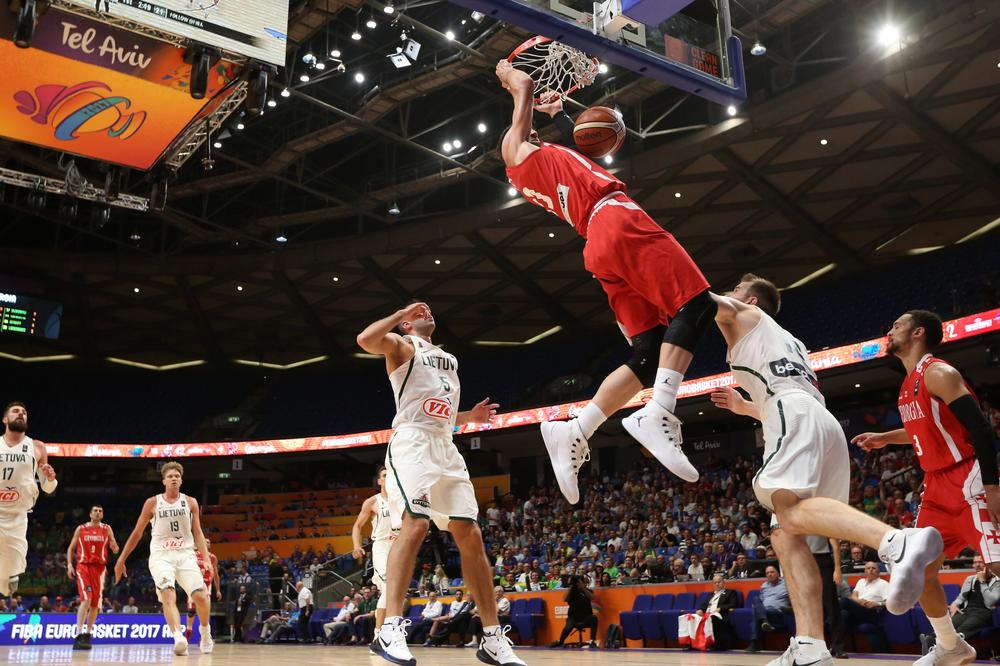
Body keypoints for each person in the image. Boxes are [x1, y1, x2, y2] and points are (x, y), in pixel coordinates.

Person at [495, 61, 717, 504]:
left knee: (648, 351)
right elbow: (522, 87)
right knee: (697, 305)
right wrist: (510, 74)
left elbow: (575, 147)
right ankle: (659, 412)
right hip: (616, 219)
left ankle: (575, 432)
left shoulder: (547, 169)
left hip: (596, 242)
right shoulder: (518, 155)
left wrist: (556, 115)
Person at [709, 278, 945, 666]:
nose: (730, 292)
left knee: (783, 508)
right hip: (817, 418)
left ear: (752, 300)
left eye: (737, 287)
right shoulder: (788, 340)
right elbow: (782, 391)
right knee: (785, 534)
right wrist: (745, 407)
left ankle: (896, 543)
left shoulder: (745, 313)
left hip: (793, 412)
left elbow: (697, 299)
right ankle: (809, 645)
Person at [357, 302, 525, 666]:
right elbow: (365, 338)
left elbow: (441, 414)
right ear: (405, 324)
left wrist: (470, 417)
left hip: (444, 444)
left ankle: (493, 639)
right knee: (415, 524)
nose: (425, 312)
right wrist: (402, 311)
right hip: (412, 443)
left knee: (470, 533)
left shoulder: (448, 358)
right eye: (417, 313)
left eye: (428, 310)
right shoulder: (403, 347)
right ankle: (389, 629)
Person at [852, 309, 1000, 665]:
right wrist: (885, 438)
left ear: (918, 333)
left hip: (968, 479)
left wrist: (993, 486)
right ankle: (951, 646)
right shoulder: (907, 386)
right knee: (920, 571)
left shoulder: (939, 373)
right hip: (935, 487)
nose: (890, 330)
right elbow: (923, 430)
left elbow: (980, 428)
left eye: (896, 325)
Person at [113, 461, 213, 656]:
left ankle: (205, 632)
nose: (174, 478)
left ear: (181, 480)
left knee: (200, 596)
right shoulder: (152, 503)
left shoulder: (191, 502)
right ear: (164, 481)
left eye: (177, 476)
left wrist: (206, 557)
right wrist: (121, 559)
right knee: (168, 595)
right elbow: (137, 533)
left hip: (185, 554)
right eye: (170, 476)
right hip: (161, 555)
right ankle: (178, 637)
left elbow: (198, 532)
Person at [0, 402, 58, 598]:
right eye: (15, 411)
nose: (21, 414)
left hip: (17, 516)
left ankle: (5, 577)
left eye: (24, 412)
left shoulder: (37, 446)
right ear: (5, 419)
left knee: (8, 588)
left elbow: (48, 487)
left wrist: (50, 478)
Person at [351, 466, 398, 641]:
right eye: (385, 475)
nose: (388, 478)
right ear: (379, 481)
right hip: (382, 546)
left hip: (399, 547)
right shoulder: (372, 502)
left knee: (395, 591)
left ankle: (387, 632)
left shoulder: (401, 500)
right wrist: (357, 546)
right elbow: (357, 526)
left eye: (391, 475)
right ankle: (379, 634)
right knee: (388, 587)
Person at [66, 504, 119, 650]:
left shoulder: (107, 529)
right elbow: (71, 548)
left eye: (100, 511)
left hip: (100, 569)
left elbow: (114, 547)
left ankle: (87, 634)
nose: (97, 513)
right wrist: (70, 565)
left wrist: (114, 546)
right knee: (87, 598)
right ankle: (78, 634)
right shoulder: (81, 528)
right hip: (84, 566)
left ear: (102, 514)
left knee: (96, 604)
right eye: (95, 510)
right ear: (90, 513)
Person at [946, 554, 1000, 638]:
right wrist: (954, 604)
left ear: (988, 565)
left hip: (984, 612)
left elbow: (990, 601)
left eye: (980, 562)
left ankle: (950, 646)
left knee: (961, 630)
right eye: (975, 562)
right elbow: (961, 597)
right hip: (967, 611)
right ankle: (930, 639)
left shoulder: (997, 581)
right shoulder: (970, 579)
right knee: (947, 628)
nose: (977, 565)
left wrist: (982, 581)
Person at [680, 574, 738, 651]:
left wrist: (720, 608)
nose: (717, 584)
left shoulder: (730, 592)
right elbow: (704, 605)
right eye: (715, 582)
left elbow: (733, 604)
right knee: (689, 617)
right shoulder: (710, 594)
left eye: (719, 582)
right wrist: (700, 609)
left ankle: (712, 643)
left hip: (719, 615)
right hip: (707, 614)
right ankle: (690, 644)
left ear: (724, 582)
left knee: (712, 618)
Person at [746, 565, 791, 653]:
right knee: (755, 599)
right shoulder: (764, 585)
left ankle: (755, 642)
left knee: (756, 612)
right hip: (765, 613)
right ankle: (764, 621)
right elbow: (760, 600)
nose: (769, 574)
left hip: (778, 613)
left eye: (772, 572)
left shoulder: (786, 584)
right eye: (767, 573)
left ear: (778, 574)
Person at [184, 538, 221, 641]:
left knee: (204, 610)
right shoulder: (193, 555)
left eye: (208, 542)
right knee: (191, 611)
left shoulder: (213, 557)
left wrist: (217, 590)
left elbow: (216, 575)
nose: (206, 542)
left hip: (207, 586)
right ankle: (189, 630)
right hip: (194, 585)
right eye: (204, 541)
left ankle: (204, 635)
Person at [550, 576, 599, 648]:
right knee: (568, 626)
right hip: (573, 616)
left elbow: (591, 597)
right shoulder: (572, 591)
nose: (577, 583)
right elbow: (565, 599)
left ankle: (592, 641)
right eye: (577, 582)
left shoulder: (588, 591)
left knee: (594, 618)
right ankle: (560, 641)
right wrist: (571, 586)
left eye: (579, 582)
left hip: (586, 616)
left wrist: (583, 588)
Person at [840, 562, 889, 630]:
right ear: (865, 571)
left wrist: (877, 603)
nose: (871, 570)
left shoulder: (883, 584)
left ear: (878, 571)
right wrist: (860, 602)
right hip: (858, 610)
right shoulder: (861, 581)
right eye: (868, 568)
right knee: (844, 614)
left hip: (871, 611)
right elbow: (853, 596)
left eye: (873, 568)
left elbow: (890, 602)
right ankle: (841, 639)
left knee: (843, 601)